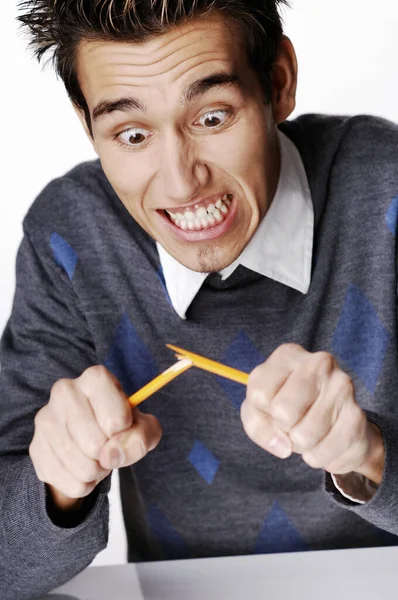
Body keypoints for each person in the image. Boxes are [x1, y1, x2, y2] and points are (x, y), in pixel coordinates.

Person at [1, 0, 398, 598]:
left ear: (279, 82)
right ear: (89, 128)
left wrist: (370, 456)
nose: (182, 183)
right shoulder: (70, 237)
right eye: (131, 134)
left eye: (212, 117)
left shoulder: (387, 187)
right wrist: (56, 485)